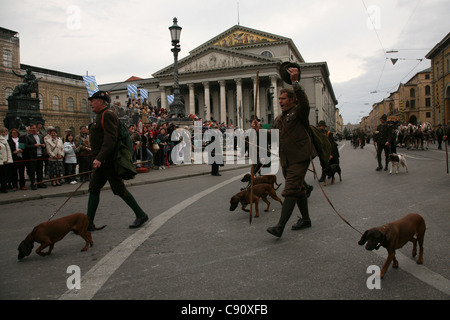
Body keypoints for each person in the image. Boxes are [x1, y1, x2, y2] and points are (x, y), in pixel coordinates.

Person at [263, 64, 317, 238]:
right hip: (286, 160)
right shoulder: (280, 118)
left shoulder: (299, 111)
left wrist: (295, 82)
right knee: (299, 189)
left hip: (300, 158)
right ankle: (306, 219)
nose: (280, 101)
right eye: (279, 99)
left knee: (291, 189)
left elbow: (305, 100)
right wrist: (258, 131)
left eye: (283, 99)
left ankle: (279, 226)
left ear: (292, 100)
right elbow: (275, 134)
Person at [86, 90, 148, 229]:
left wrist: (100, 158)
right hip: (102, 163)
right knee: (94, 189)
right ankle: (88, 222)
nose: (90, 103)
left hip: (108, 162)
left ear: (101, 102)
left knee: (119, 189)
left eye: (93, 100)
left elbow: (110, 139)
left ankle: (141, 214)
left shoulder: (107, 115)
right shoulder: (100, 116)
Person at [24, 124, 47, 190]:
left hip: (40, 155)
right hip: (32, 156)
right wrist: (34, 145)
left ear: (37, 129)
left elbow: (44, 144)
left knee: (40, 171)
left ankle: (40, 183)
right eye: (31, 128)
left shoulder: (40, 136)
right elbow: (26, 146)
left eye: (33, 128)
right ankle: (33, 183)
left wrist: (43, 145)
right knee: (32, 171)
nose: (32, 130)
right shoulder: (28, 137)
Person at [0, 127, 13, 193]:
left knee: (3, 175)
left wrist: (9, 159)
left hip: (4, 161)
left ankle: (3, 187)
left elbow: (8, 150)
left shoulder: (4, 140)